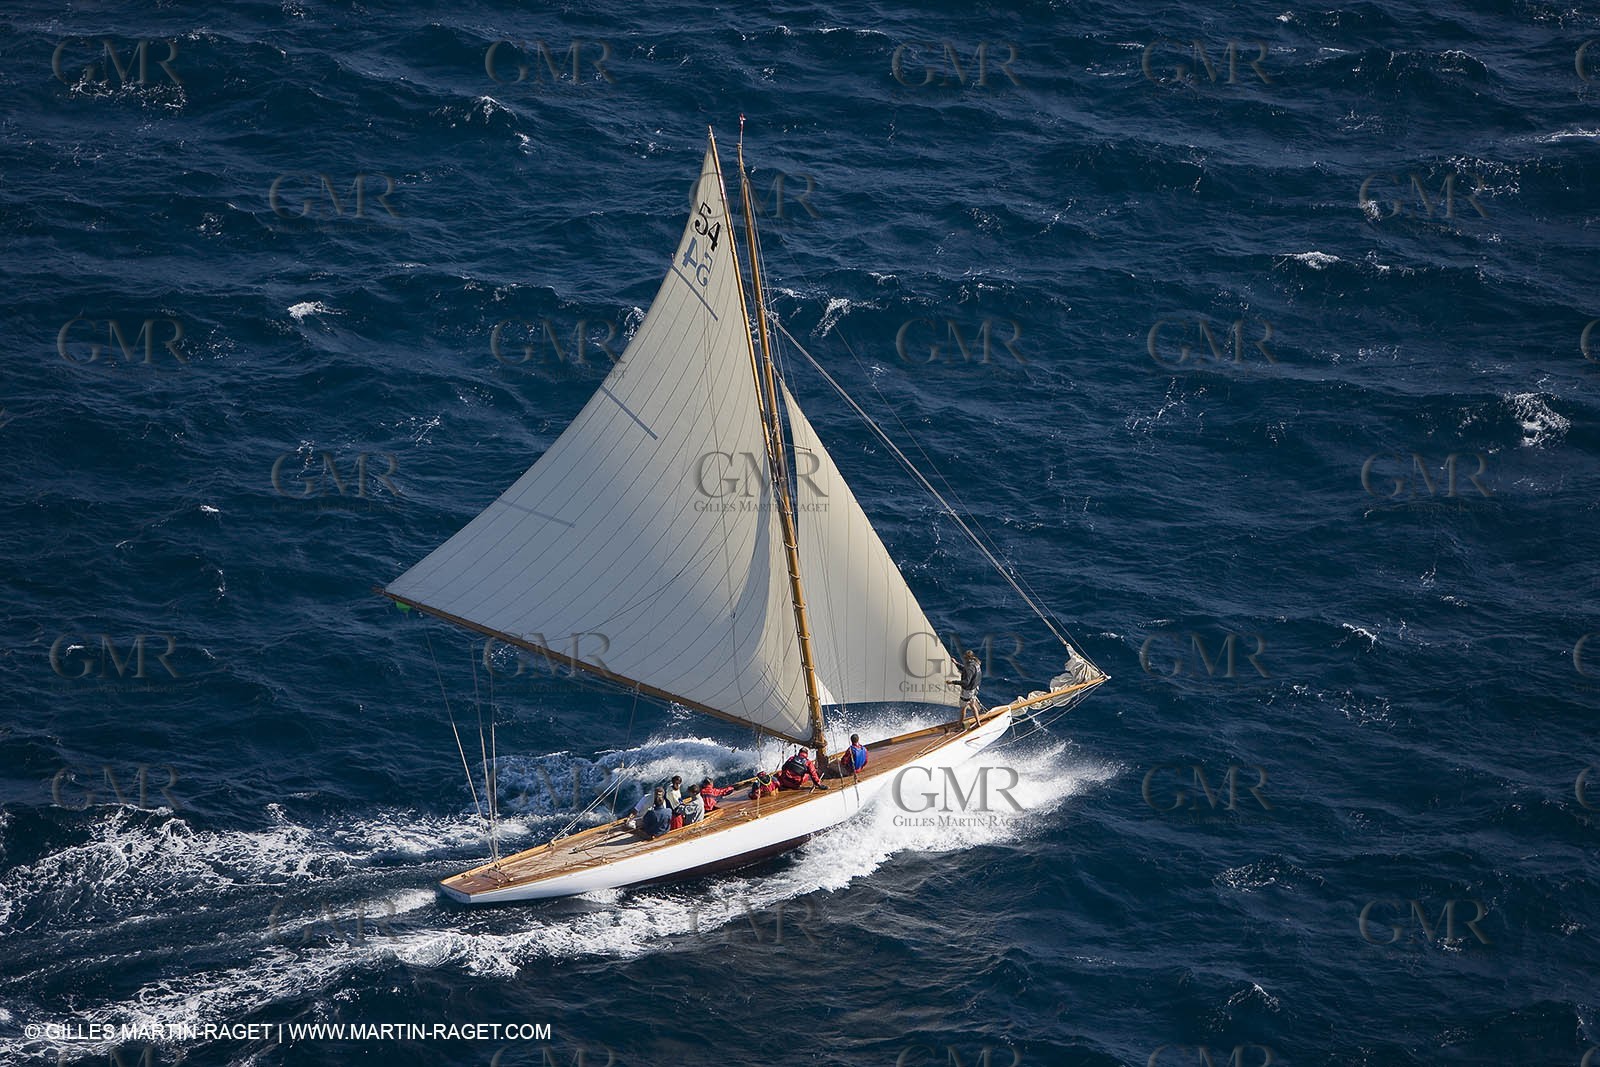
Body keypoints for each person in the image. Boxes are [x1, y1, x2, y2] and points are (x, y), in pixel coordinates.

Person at [949, 649, 983, 729]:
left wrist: (953, 682)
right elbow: (965, 669)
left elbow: (966, 682)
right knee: (972, 705)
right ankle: (978, 723)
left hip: (967, 692)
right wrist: (956, 663)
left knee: (963, 708)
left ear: (967, 658)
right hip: (974, 690)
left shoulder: (970, 667)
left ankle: (959, 726)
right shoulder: (976, 664)